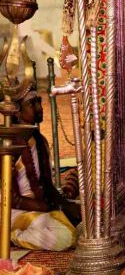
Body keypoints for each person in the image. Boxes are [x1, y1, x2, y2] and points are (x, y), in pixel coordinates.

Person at [4, 85, 79, 251]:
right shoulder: (9, 144)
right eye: (32, 103)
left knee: (85, 218)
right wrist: (43, 207)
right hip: (13, 211)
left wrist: (64, 204)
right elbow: (8, 196)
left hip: (39, 208)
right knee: (66, 236)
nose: (39, 107)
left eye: (39, 101)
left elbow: (47, 185)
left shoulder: (40, 140)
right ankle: (11, 236)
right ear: (17, 112)